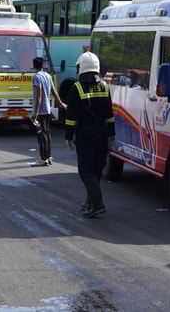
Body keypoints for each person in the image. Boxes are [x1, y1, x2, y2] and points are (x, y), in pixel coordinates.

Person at [64, 52, 115, 218]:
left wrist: (68, 136)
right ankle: (90, 202)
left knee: (86, 169)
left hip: (86, 132)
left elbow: (71, 116)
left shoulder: (76, 88)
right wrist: (111, 134)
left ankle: (98, 204)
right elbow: (110, 114)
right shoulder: (105, 86)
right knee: (96, 167)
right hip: (102, 131)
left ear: (81, 67)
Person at [30, 57, 66, 167]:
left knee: (41, 134)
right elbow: (54, 92)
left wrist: (35, 113)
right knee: (46, 132)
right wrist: (61, 103)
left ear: (34, 65)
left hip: (40, 110)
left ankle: (42, 158)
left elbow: (39, 95)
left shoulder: (37, 77)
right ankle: (48, 156)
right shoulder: (48, 76)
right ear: (43, 65)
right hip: (47, 109)